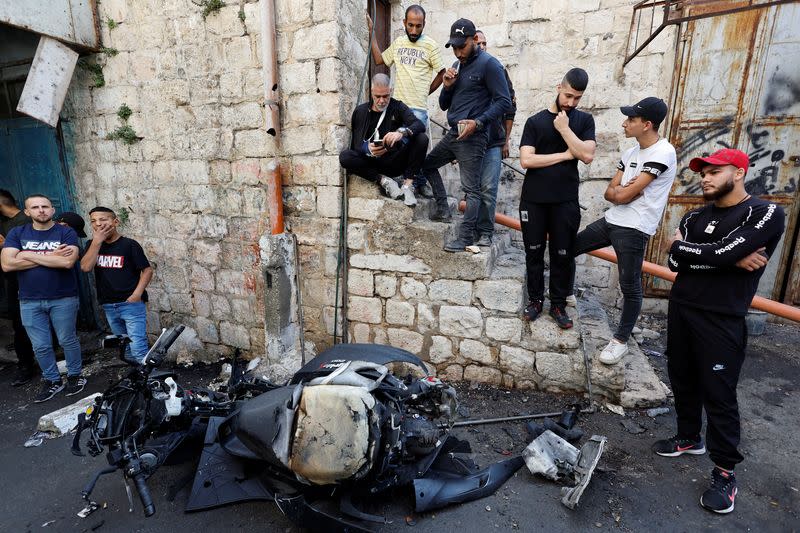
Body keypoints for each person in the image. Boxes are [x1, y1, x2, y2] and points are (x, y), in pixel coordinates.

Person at [655, 148, 785, 514]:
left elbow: (704, 251)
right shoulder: (694, 214)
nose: (705, 178)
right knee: (681, 378)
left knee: (719, 393)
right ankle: (687, 437)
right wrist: (723, 256)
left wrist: (704, 251)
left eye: (714, 171)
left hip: (721, 316)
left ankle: (725, 473)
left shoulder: (765, 213)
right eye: (703, 172)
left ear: (739, 172)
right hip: (682, 308)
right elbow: (676, 260)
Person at [573, 97, 676, 363]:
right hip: (613, 219)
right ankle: (564, 295)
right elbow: (612, 194)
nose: (624, 123)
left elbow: (625, 192)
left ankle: (620, 341)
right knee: (569, 247)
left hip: (635, 227)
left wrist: (624, 192)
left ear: (647, 124)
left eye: (631, 119)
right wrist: (624, 192)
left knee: (630, 285)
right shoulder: (631, 154)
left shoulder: (663, 152)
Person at [422, 18, 511, 250]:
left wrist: (478, 123)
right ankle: (443, 207)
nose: (458, 51)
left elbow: (504, 102)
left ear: (474, 40)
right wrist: (447, 85)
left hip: (474, 135)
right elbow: (443, 105)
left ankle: (465, 237)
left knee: (473, 190)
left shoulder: (490, 64)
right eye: (454, 46)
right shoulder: (457, 65)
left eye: (462, 46)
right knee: (428, 165)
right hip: (454, 132)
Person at [518, 68, 596, 329]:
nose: (571, 103)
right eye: (568, 95)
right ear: (558, 87)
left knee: (563, 253)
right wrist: (564, 155)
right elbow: (527, 160)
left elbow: (587, 155)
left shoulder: (583, 121)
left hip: (565, 200)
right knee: (534, 252)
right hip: (534, 199)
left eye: (577, 98)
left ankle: (559, 304)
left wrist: (564, 130)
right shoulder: (535, 122)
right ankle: (536, 300)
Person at [0, 194, 85, 402]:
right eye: (35, 207)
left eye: (45, 206)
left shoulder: (66, 232)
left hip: (63, 297)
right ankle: (52, 380)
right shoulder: (17, 232)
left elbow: (67, 263)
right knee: (40, 345)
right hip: (29, 300)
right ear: (27, 212)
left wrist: (25, 254)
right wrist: (50, 257)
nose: (41, 210)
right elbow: (7, 265)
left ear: (52, 210)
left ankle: (75, 375)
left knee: (67, 339)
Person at [367, 4, 445, 202]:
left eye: (418, 26)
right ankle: (412, 181)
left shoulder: (430, 45)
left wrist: (427, 91)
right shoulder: (399, 42)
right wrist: (371, 31)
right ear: (404, 23)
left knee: (414, 141)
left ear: (424, 24)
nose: (414, 30)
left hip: (417, 107)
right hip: (399, 107)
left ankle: (416, 182)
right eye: (410, 25)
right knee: (397, 144)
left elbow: (442, 72)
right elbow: (379, 60)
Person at [339, 74, 428, 203]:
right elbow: (356, 145)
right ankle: (383, 180)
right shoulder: (361, 111)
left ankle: (407, 186)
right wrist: (368, 149)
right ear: (371, 92)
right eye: (377, 96)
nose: (381, 101)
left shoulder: (397, 106)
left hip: (394, 160)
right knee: (345, 157)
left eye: (385, 96)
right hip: (371, 163)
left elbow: (418, 124)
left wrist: (401, 132)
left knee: (421, 138)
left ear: (390, 91)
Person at [80, 207, 153, 362]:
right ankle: (135, 377)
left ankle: (149, 379)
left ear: (115, 221)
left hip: (130, 303)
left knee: (137, 346)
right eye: (93, 221)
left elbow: (146, 270)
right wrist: (97, 242)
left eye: (103, 219)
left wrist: (136, 295)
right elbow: (86, 267)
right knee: (123, 344)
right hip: (108, 304)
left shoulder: (129, 245)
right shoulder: (91, 245)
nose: (98, 224)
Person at [473, 30, 517, 247]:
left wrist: (507, 140)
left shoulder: (497, 69)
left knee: (489, 189)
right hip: (470, 140)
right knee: (471, 188)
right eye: (478, 43)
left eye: (484, 43)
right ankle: (470, 228)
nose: (481, 46)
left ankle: (485, 233)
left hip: (493, 140)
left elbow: (510, 108)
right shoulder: (463, 68)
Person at [0, 190, 36, 386]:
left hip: (29, 279)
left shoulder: (24, 221)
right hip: (11, 281)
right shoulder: (4, 222)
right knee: (19, 325)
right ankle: (26, 366)